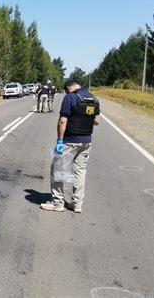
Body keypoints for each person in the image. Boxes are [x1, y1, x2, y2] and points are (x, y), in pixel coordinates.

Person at [41, 79, 100, 213]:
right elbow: (97, 120)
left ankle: (58, 203)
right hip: (86, 141)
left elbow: (63, 121)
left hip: (70, 140)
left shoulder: (70, 98)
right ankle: (77, 204)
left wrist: (60, 140)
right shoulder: (94, 98)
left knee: (57, 169)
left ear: (68, 87)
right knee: (80, 171)